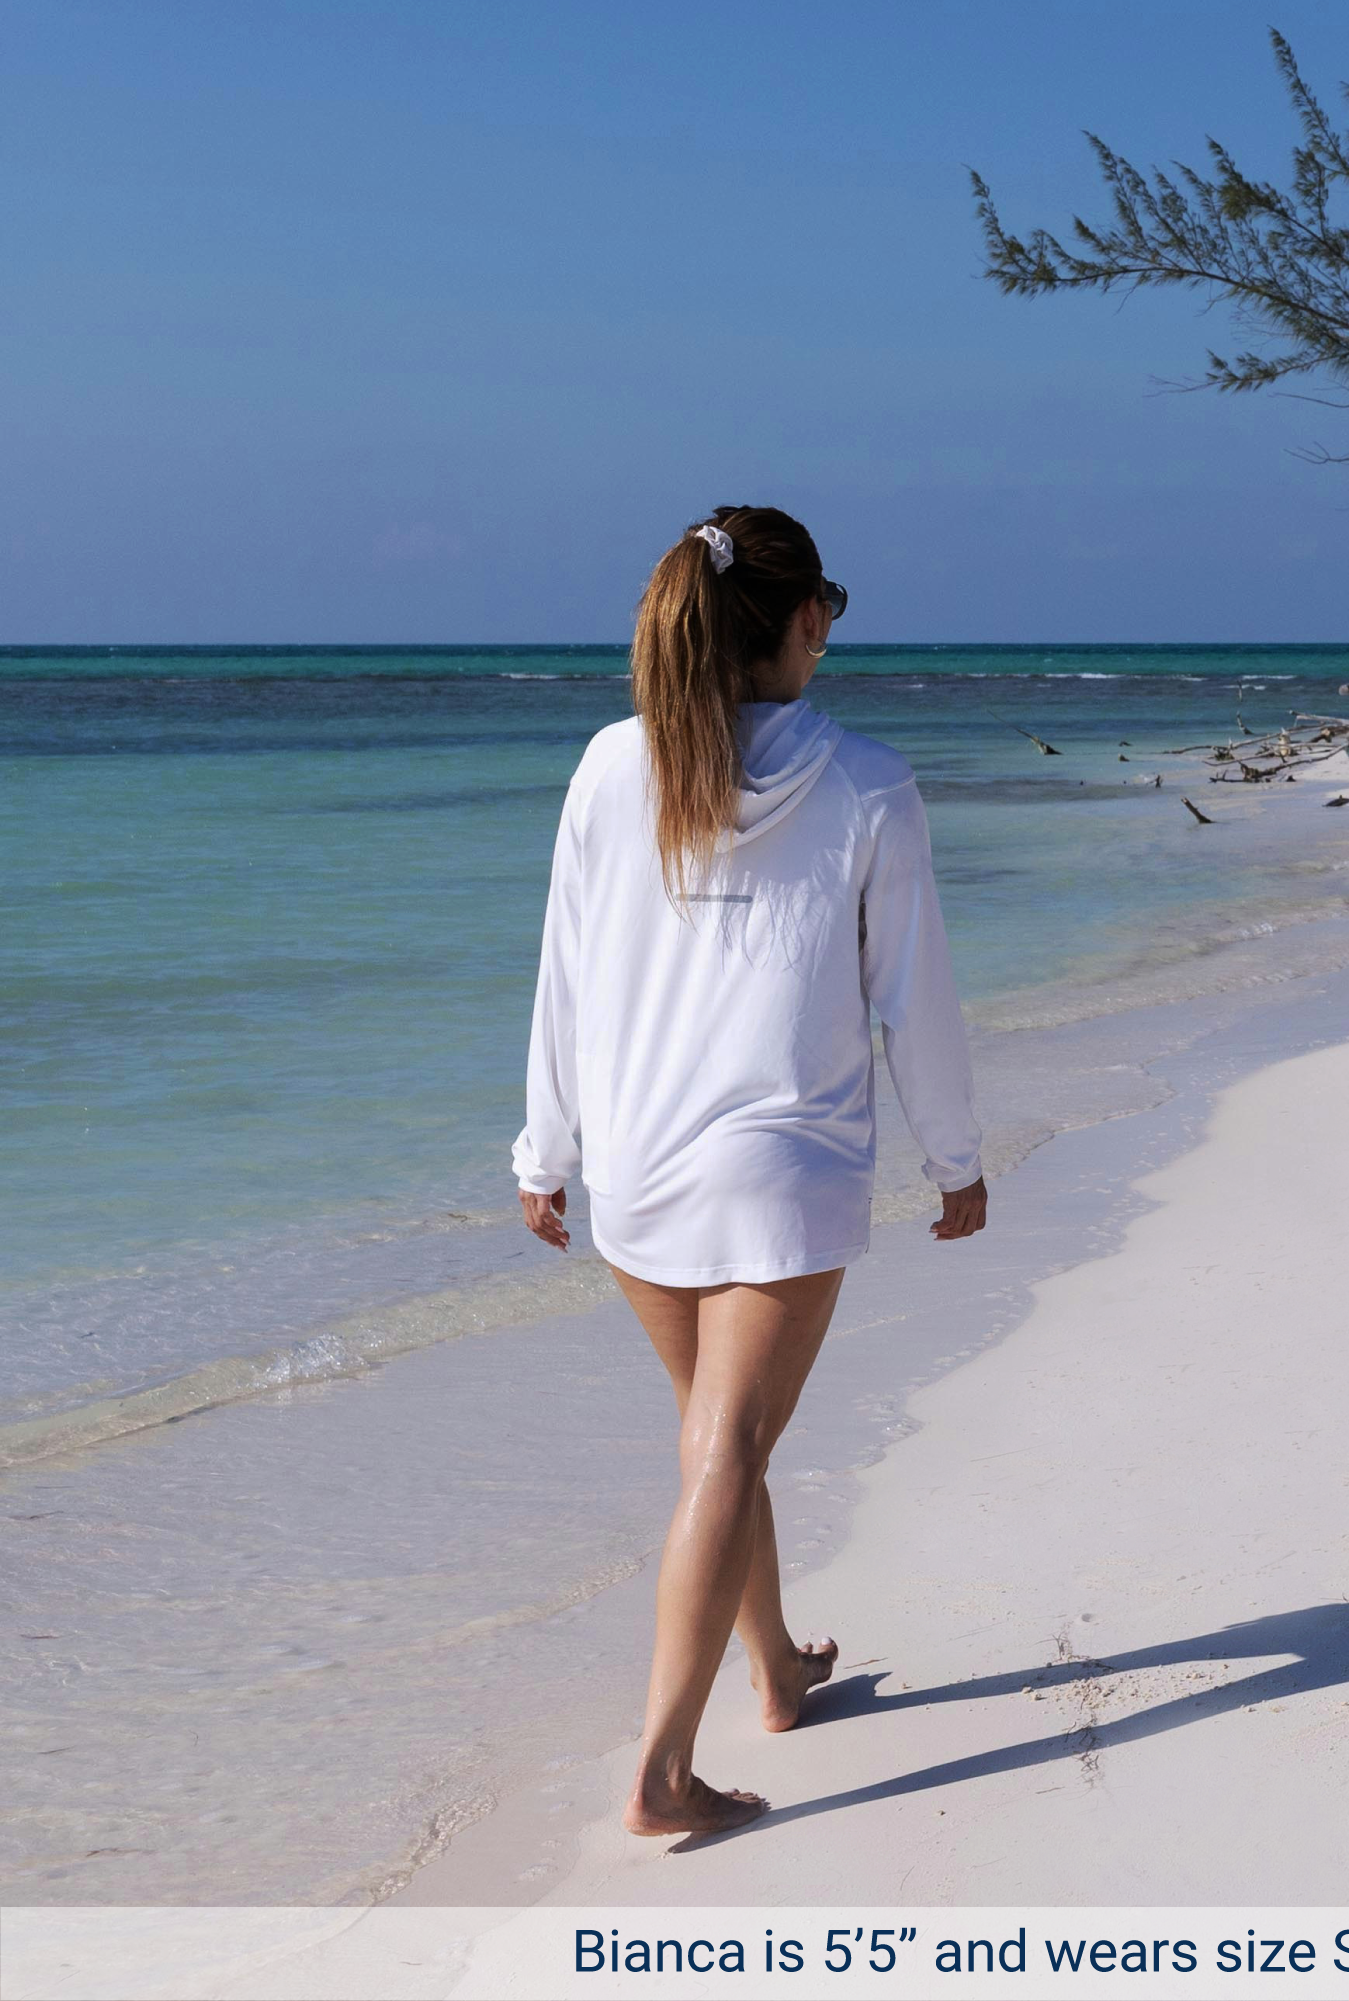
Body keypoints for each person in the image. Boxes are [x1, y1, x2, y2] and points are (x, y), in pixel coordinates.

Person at [511, 505, 987, 1836]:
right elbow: (915, 1000)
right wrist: (956, 1159)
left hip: (639, 1170)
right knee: (728, 1441)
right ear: (802, 621)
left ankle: (775, 1668)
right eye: (821, 608)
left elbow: (563, 977)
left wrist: (544, 1152)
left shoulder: (610, 767)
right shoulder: (868, 782)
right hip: (787, 1171)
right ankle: (664, 1775)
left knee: (723, 1437)